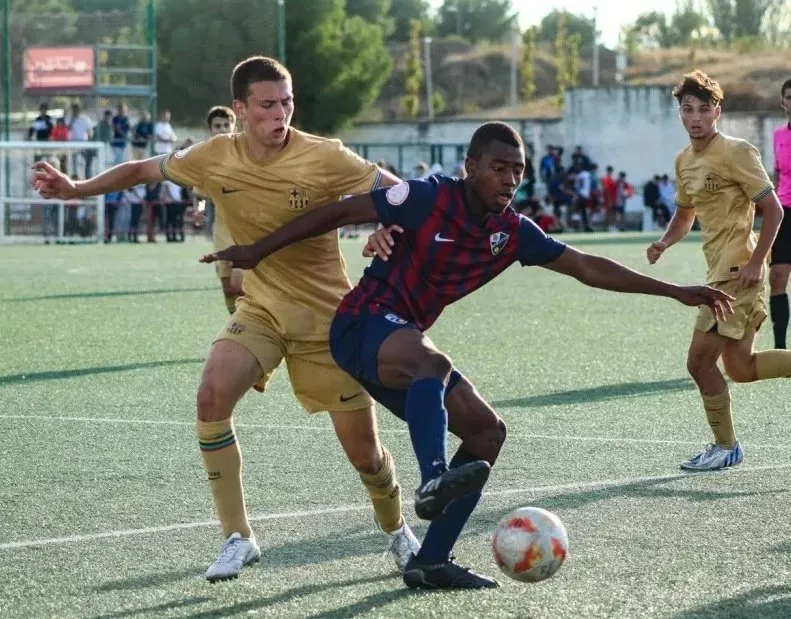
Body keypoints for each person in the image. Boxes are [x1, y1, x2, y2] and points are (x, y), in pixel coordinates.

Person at [203, 121, 734, 590]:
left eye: (518, 171)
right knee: (430, 363)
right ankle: (433, 475)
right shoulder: (426, 197)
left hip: (398, 346)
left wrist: (676, 291)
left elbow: (586, 266)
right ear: (470, 166)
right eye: (498, 167)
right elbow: (340, 211)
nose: (509, 179)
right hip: (359, 325)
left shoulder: (511, 233)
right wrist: (257, 250)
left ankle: (431, 561)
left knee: (487, 432)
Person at [30, 55, 419, 583]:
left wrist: (386, 227)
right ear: (240, 110)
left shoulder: (325, 157)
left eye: (286, 103)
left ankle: (397, 531)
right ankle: (239, 538)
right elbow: (143, 170)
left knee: (366, 456)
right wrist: (76, 189)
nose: (279, 113)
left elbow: (401, 194)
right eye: (266, 105)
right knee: (211, 396)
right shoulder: (215, 156)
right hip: (259, 308)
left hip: (328, 321)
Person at [646, 70, 788, 471]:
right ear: (680, 115)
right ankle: (727, 447)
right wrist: (664, 242)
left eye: (703, 109)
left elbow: (773, 210)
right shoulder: (684, 161)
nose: (695, 117)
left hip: (737, 274)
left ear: (717, 112)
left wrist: (758, 262)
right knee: (740, 369)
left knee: (698, 362)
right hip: (719, 275)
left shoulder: (736, 152)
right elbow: (685, 213)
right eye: (687, 109)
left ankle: (725, 446)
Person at [201, 105, 243, 313]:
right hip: (222, 230)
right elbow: (201, 194)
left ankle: (251, 326)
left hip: (247, 230)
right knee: (228, 289)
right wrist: (199, 210)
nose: (223, 129)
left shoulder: (248, 154)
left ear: (235, 127)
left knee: (240, 284)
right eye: (218, 126)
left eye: (227, 125)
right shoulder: (205, 161)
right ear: (211, 130)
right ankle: (237, 324)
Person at [769, 78, 791, 349]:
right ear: (783, 101)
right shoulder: (777, 136)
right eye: (789, 97)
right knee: (777, 277)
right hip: (784, 213)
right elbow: (776, 174)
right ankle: (780, 349)